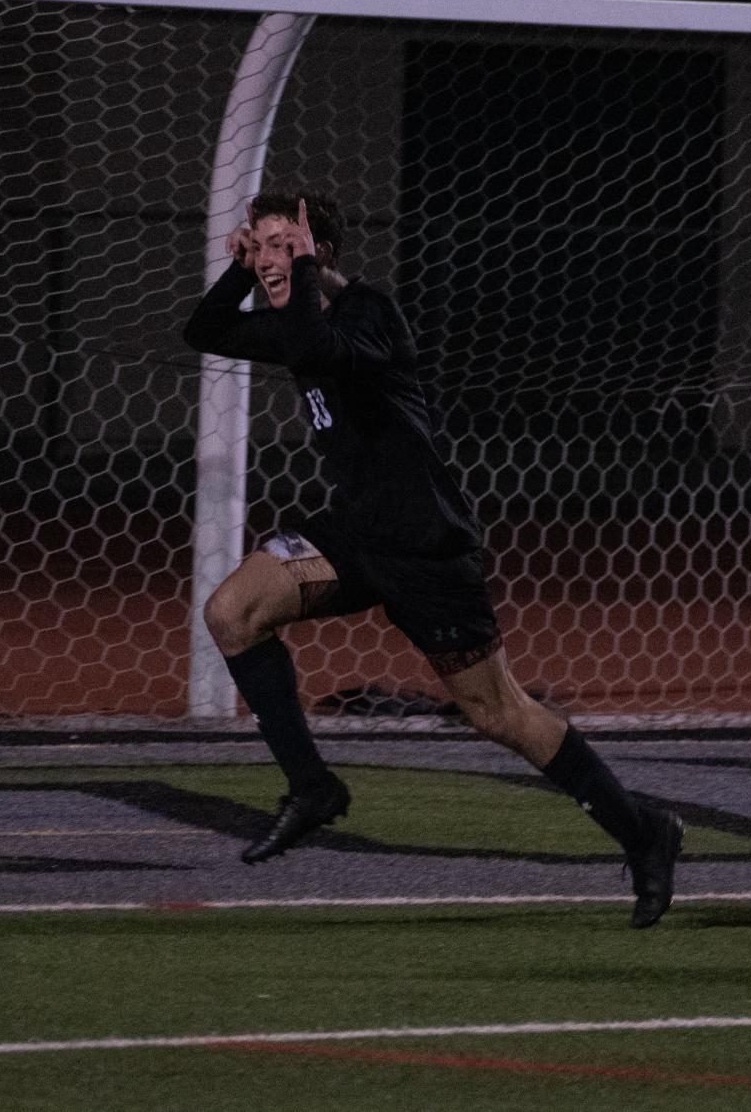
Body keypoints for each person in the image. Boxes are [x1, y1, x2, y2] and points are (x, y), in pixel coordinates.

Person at [184, 191, 684, 927]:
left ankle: (645, 833)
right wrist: (236, 270)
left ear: (323, 251)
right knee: (232, 611)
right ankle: (313, 788)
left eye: (283, 243)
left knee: (499, 712)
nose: (269, 259)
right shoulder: (295, 315)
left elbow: (316, 348)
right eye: (259, 245)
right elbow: (202, 328)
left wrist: (294, 269)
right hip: (355, 536)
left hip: (424, 545)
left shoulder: (368, 313)